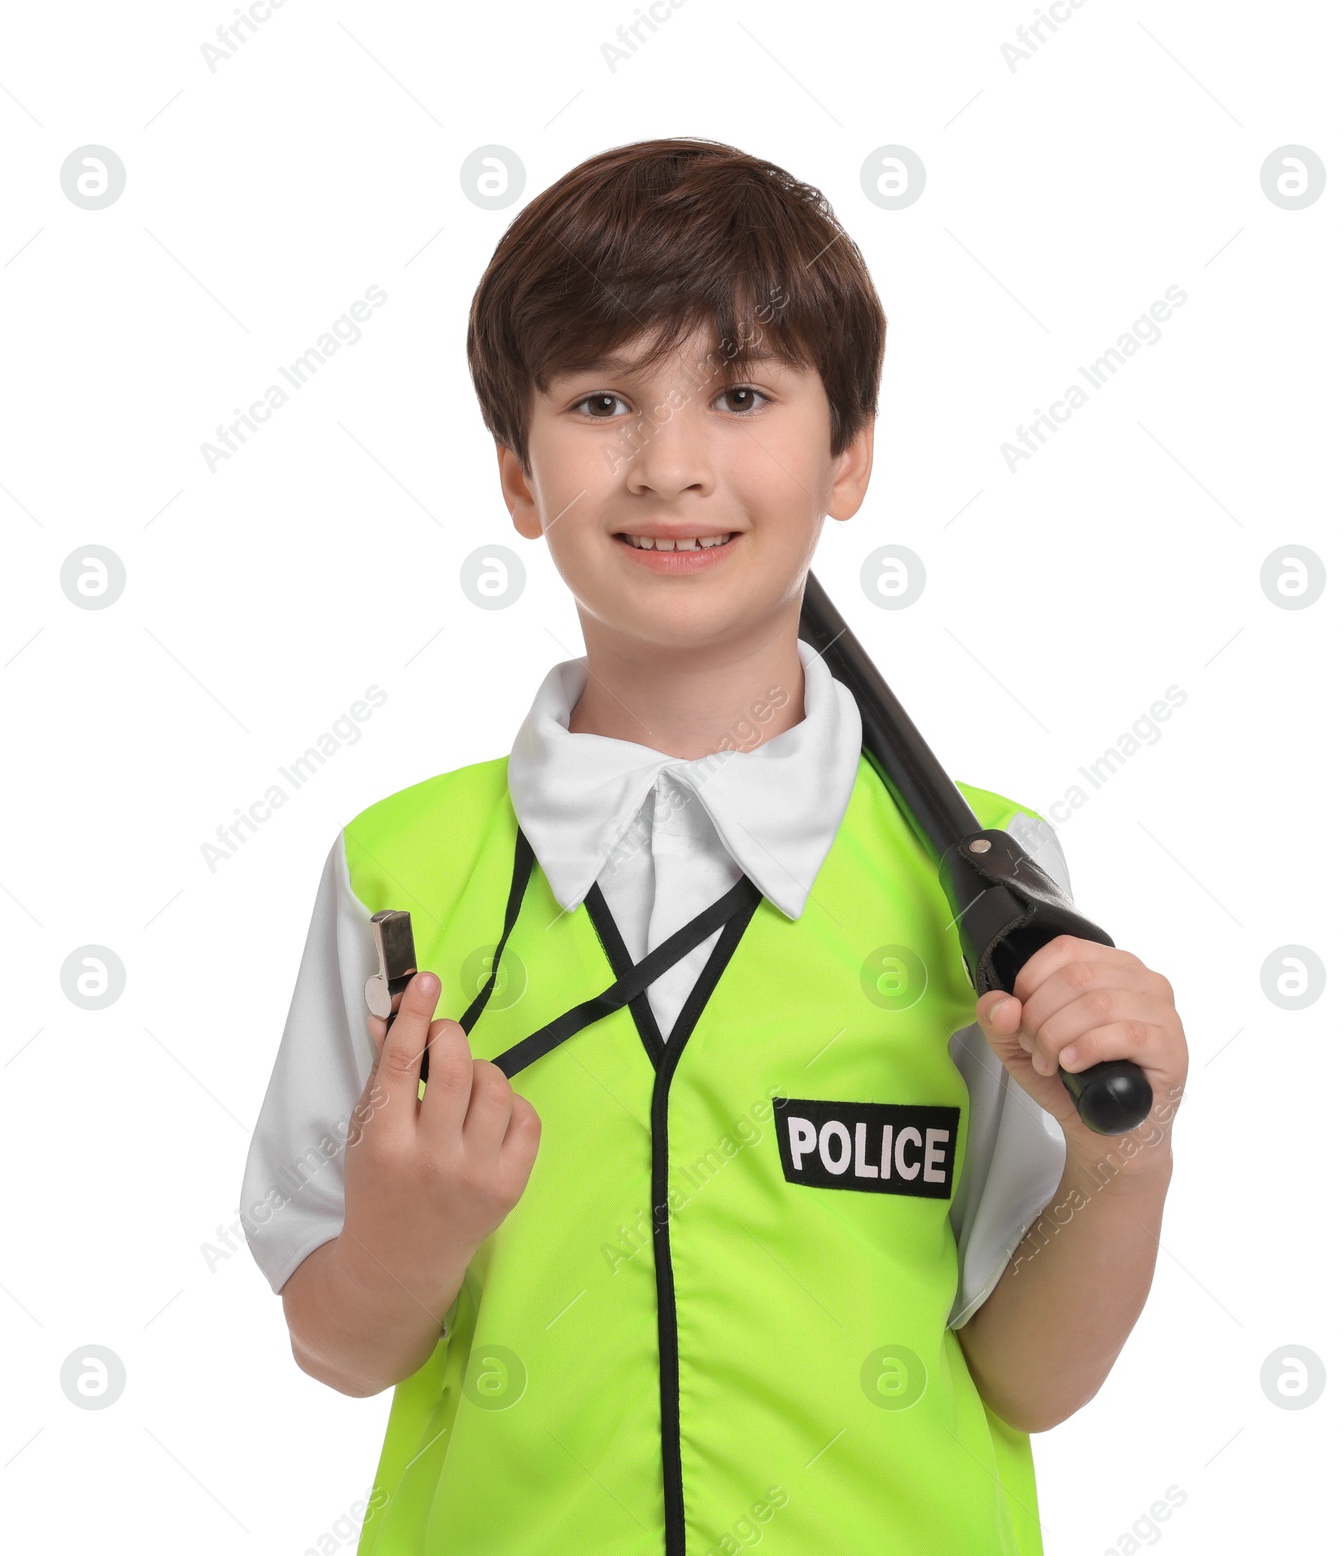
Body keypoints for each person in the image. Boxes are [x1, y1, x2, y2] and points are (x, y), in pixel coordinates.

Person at [238, 137, 1190, 1556]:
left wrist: (1127, 1163)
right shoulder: (402, 871)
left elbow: (1030, 1381)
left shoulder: (982, 880)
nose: (671, 464)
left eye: (741, 395)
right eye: (602, 400)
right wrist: (402, 1240)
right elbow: (339, 1343)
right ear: (517, 474)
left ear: (848, 452)